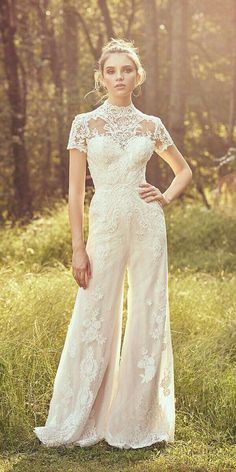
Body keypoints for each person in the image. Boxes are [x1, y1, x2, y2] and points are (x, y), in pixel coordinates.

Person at [33, 38, 192, 450]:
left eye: (126, 70)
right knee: (94, 311)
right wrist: (77, 247)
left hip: (146, 226)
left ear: (138, 76)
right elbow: (73, 194)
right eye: (111, 70)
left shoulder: (151, 125)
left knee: (148, 311)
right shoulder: (84, 124)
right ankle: (80, 416)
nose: (119, 77)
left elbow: (183, 171)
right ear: (100, 77)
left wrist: (166, 196)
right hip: (103, 228)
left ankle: (136, 420)